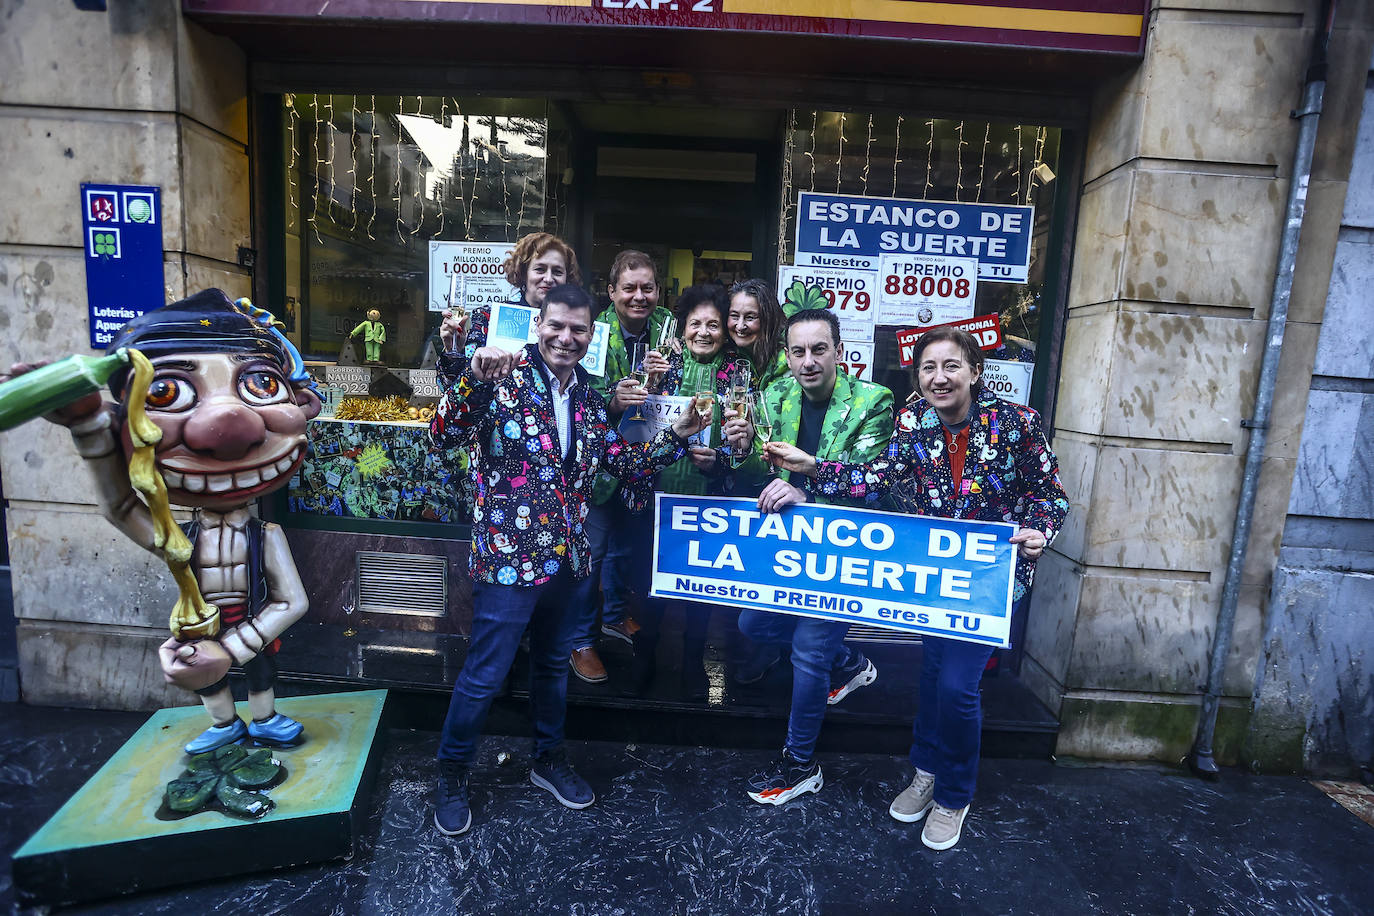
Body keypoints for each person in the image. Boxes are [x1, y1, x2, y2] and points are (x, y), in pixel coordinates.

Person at [763, 325, 1069, 849]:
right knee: (932, 678)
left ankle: (953, 793)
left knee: (957, 687)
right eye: (928, 368)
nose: (939, 377)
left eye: (951, 365)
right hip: (929, 583)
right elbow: (880, 478)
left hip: (988, 583)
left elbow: (1050, 495)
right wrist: (814, 470)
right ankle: (925, 770)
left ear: (974, 370)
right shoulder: (912, 420)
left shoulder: (1017, 423)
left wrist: (1040, 531)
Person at [428, 283, 707, 837]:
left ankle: (548, 760)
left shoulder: (584, 394)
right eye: (557, 326)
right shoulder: (500, 377)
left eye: (579, 329)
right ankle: (452, 773)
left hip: (571, 559)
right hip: (509, 559)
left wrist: (677, 435)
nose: (567, 337)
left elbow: (622, 462)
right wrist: (474, 382)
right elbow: (444, 436)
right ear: (538, 324)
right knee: (484, 673)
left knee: (554, 668)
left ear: (590, 335)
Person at [6, 290, 323, 755]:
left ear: (305, 404)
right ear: (125, 423)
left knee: (259, 672)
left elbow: (292, 602)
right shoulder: (179, 538)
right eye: (166, 392)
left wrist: (233, 650)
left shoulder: (265, 536)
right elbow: (119, 508)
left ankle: (264, 717)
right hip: (198, 626)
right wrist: (89, 429)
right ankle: (223, 724)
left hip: (249, 628)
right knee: (204, 680)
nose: (228, 426)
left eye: (260, 385)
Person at [720, 308, 894, 805]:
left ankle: (800, 764)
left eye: (819, 350)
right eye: (798, 351)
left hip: (841, 552)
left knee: (808, 654)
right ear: (787, 355)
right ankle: (850, 662)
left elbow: (874, 484)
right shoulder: (775, 395)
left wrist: (810, 484)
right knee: (753, 625)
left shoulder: (873, 401)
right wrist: (738, 450)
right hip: (787, 553)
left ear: (840, 352)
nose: (808, 361)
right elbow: (762, 470)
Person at [618, 285, 749, 699]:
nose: (704, 332)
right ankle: (644, 660)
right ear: (682, 327)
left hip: (710, 503)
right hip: (655, 499)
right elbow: (633, 432)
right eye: (695, 324)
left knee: (700, 588)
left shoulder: (738, 373)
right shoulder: (661, 366)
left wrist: (721, 461)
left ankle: (694, 666)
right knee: (649, 586)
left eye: (713, 324)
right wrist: (643, 387)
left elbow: (749, 441)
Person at [568, 250, 676, 685]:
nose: (638, 296)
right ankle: (580, 641)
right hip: (600, 467)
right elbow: (576, 398)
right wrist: (614, 401)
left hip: (649, 464)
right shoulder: (592, 333)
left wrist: (663, 381)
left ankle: (614, 616)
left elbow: (682, 389)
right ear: (611, 292)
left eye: (646, 287)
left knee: (628, 552)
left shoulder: (670, 329)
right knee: (589, 557)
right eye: (628, 288)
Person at [727, 279, 790, 396]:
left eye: (750, 317)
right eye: (734, 316)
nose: (740, 326)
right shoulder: (725, 350)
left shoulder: (786, 360)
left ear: (769, 319)